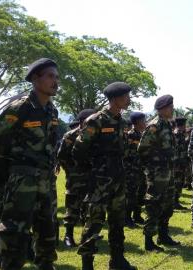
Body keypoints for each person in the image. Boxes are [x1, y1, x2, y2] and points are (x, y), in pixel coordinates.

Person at [0, 58, 59, 270]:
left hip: (46, 180)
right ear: (35, 78)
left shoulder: (52, 111)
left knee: (47, 230)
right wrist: (3, 179)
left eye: (57, 77)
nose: (55, 81)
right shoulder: (20, 108)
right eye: (50, 76)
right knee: (15, 233)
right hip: (22, 180)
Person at [73, 82, 136, 270]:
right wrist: (94, 170)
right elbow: (78, 149)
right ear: (115, 99)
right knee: (94, 222)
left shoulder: (122, 122)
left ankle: (117, 260)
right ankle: (87, 264)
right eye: (126, 96)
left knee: (117, 222)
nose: (129, 99)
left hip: (118, 178)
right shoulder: (96, 120)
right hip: (100, 182)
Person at [138, 95, 180, 252]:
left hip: (168, 172)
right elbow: (142, 149)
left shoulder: (167, 125)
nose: (172, 108)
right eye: (170, 106)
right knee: (154, 205)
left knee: (168, 204)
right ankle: (149, 241)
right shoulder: (154, 125)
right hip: (157, 173)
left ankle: (163, 235)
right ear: (162, 108)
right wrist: (154, 164)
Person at [57, 108, 97, 248]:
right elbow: (62, 156)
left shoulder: (95, 134)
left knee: (90, 207)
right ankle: (68, 235)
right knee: (72, 206)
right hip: (75, 177)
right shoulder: (70, 135)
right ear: (82, 121)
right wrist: (71, 171)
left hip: (92, 176)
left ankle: (88, 236)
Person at [124, 112, 147, 227]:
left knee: (141, 193)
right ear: (137, 122)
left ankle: (137, 215)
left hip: (141, 170)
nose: (145, 122)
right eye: (144, 120)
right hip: (131, 170)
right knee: (130, 194)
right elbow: (125, 154)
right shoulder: (130, 135)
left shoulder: (143, 134)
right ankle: (127, 217)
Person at [173, 117, 190, 210]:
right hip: (177, 163)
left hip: (181, 162)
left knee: (180, 182)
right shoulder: (177, 134)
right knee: (177, 182)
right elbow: (176, 150)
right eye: (184, 125)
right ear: (182, 125)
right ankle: (174, 202)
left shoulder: (181, 134)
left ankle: (176, 201)